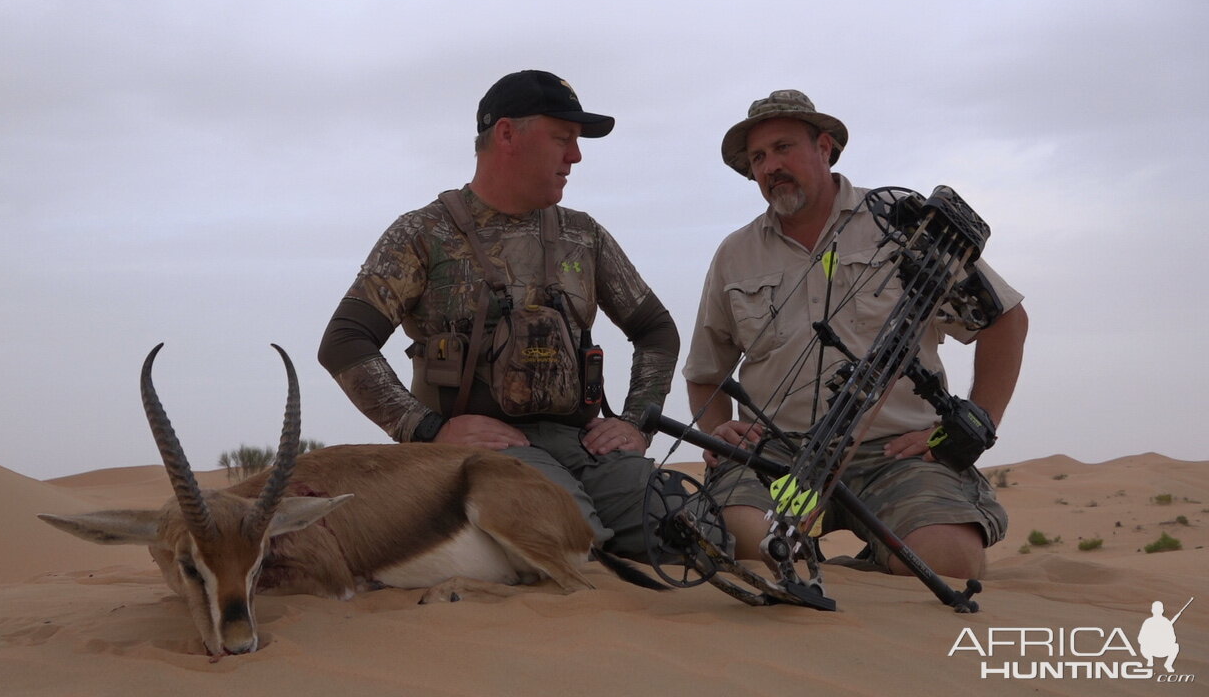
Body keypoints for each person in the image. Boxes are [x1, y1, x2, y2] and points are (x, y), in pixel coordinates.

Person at [318, 70, 679, 560]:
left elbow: (656, 329)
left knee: (689, 537)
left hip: (584, 446)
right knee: (573, 547)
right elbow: (345, 342)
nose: (575, 156)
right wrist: (428, 430)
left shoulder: (584, 235)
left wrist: (636, 423)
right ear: (507, 134)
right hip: (489, 459)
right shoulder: (423, 233)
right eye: (563, 139)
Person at [683, 89, 1029, 579]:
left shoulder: (905, 224)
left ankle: (860, 571)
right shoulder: (734, 254)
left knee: (949, 562)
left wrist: (973, 424)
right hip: (780, 458)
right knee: (750, 541)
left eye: (783, 148)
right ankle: (815, 566)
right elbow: (705, 372)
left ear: (825, 147)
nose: (769, 167)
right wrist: (718, 432)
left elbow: (1005, 320)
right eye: (758, 158)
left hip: (895, 455)